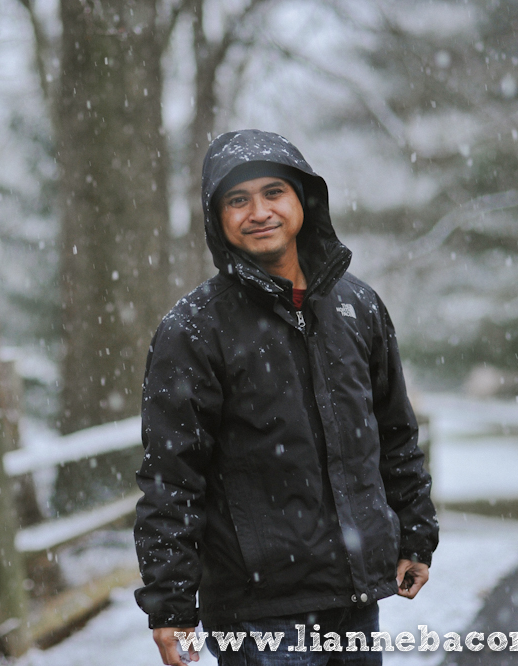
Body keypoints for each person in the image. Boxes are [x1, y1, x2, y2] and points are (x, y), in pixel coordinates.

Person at [134, 129, 439, 666]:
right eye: (238, 199)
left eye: (273, 192)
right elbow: (172, 478)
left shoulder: (358, 306)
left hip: (355, 601)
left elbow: (394, 433)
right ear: (217, 217)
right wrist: (171, 603)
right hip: (259, 615)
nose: (259, 212)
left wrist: (414, 534)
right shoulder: (195, 329)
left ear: (303, 200)